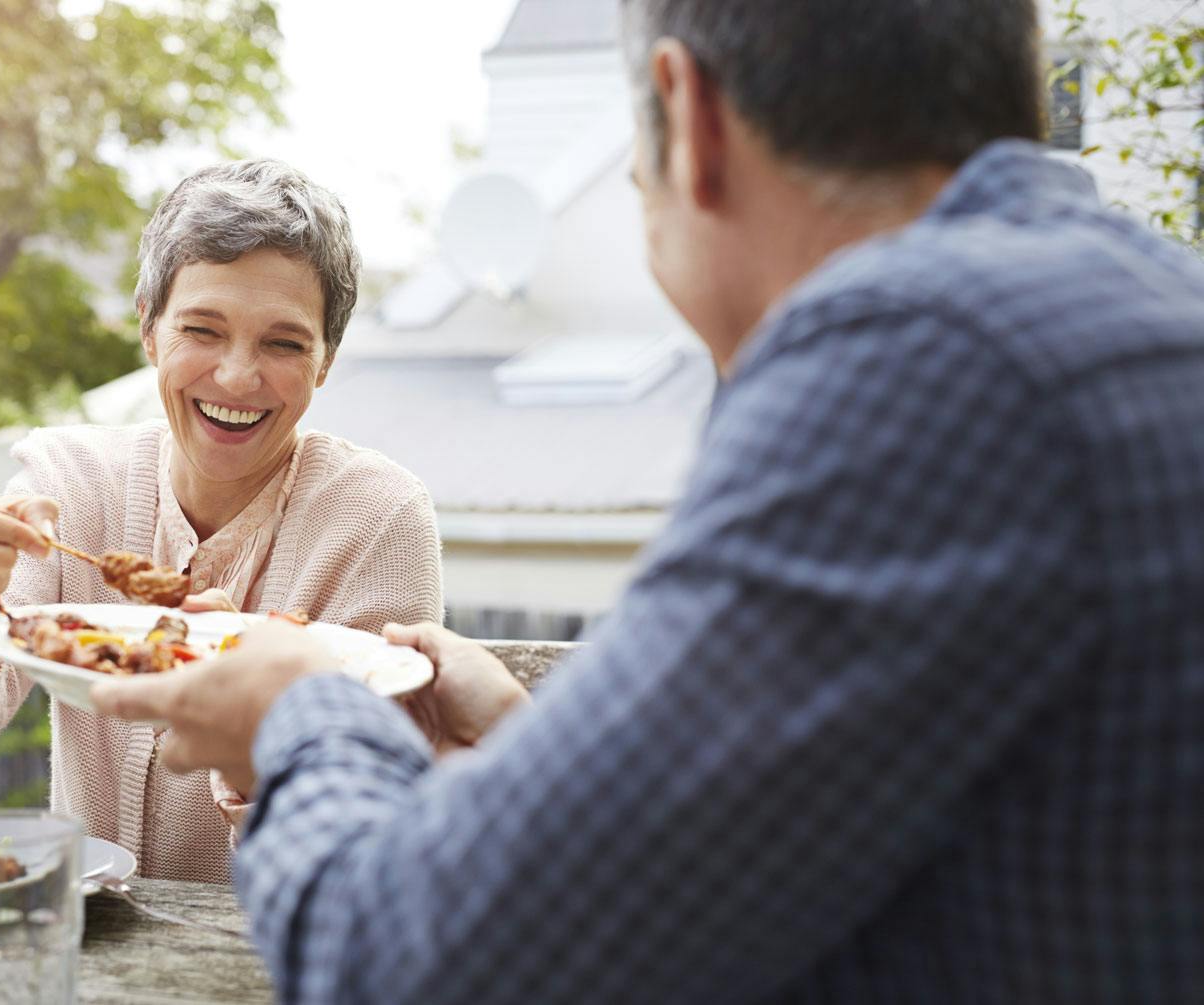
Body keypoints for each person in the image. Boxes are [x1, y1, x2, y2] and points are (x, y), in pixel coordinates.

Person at [94, 0, 1204, 1001]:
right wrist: (532, 751)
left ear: (690, 115)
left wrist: (303, 711)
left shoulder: (913, 361)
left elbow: (414, 961)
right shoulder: (1141, 305)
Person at [0, 159, 443, 883]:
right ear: (149, 331)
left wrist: (266, 733)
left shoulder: (379, 518)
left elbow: (373, 843)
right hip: (82, 951)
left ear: (326, 361)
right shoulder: (67, 482)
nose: (239, 376)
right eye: (202, 330)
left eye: (284, 342)